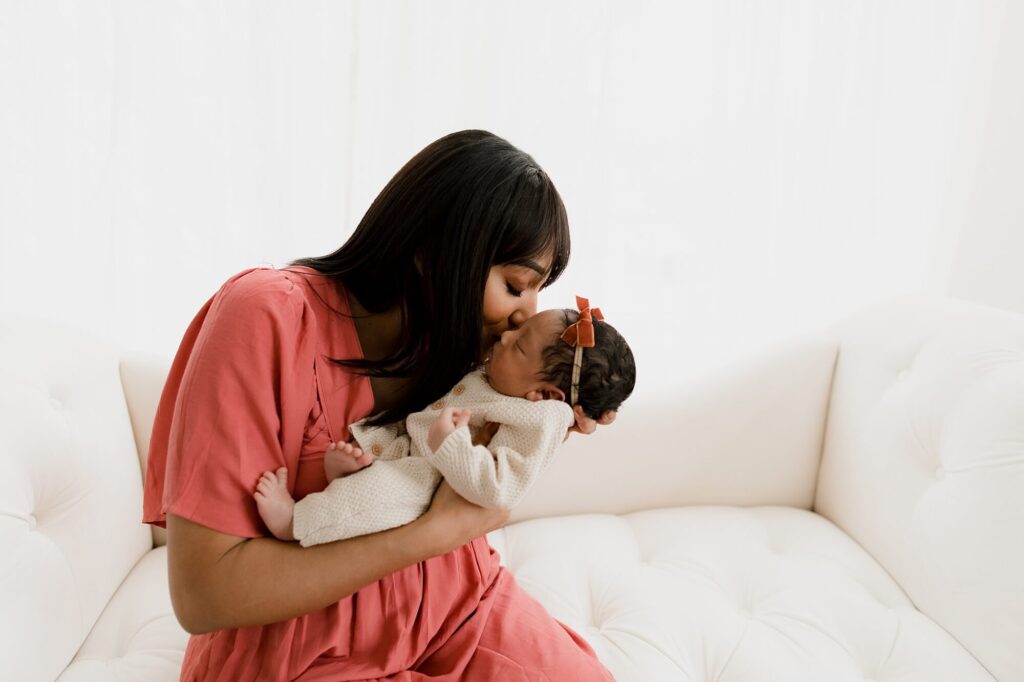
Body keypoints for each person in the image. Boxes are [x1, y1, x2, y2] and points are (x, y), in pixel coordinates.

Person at [141, 129, 618, 680]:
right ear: (430, 254)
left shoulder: (473, 356)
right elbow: (204, 595)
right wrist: (431, 535)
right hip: (304, 650)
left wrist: (559, 413)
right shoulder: (264, 317)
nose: (525, 315)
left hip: (458, 606)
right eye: (515, 286)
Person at [253, 301, 636, 546]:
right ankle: (349, 477)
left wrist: (451, 444)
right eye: (517, 331)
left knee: (373, 496)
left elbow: (500, 488)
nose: (504, 334)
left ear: (547, 395)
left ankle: (295, 523)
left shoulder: (542, 420)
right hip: (413, 446)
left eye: (518, 344)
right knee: (374, 463)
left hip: (432, 481)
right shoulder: (508, 380)